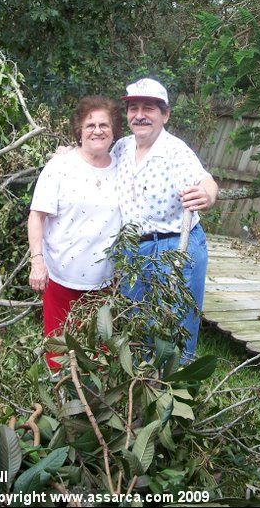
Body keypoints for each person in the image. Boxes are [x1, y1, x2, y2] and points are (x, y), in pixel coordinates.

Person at [112, 77, 218, 361]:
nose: (140, 115)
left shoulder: (175, 151)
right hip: (134, 250)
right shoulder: (121, 148)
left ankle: (176, 394)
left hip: (175, 250)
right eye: (133, 108)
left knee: (175, 328)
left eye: (149, 108)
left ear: (165, 114)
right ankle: (141, 390)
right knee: (136, 324)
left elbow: (205, 181)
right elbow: (92, 158)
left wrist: (207, 195)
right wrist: (68, 154)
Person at [28, 96, 123, 370]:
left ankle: (93, 408)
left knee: (98, 353)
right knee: (59, 351)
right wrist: (37, 261)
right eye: (90, 124)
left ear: (114, 130)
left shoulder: (123, 166)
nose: (97, 130)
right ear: (79, 130)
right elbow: (37, 216)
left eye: (104, 124)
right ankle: (60, 407)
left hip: (105, 283)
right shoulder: (60, 166)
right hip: (60, 278)